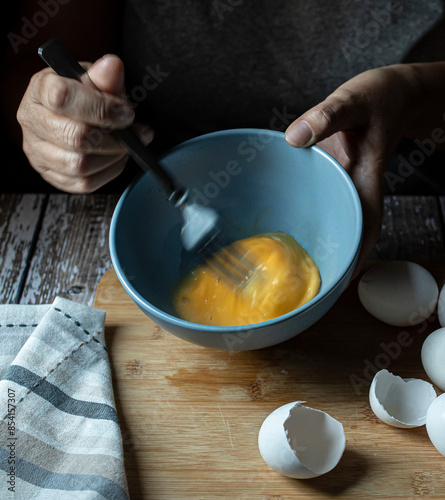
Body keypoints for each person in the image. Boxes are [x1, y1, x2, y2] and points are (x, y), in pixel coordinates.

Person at [3, 0, 445, 276]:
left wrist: (418, 92)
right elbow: (38, 57)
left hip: (403, 212)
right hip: (146, 190)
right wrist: (57, 114)